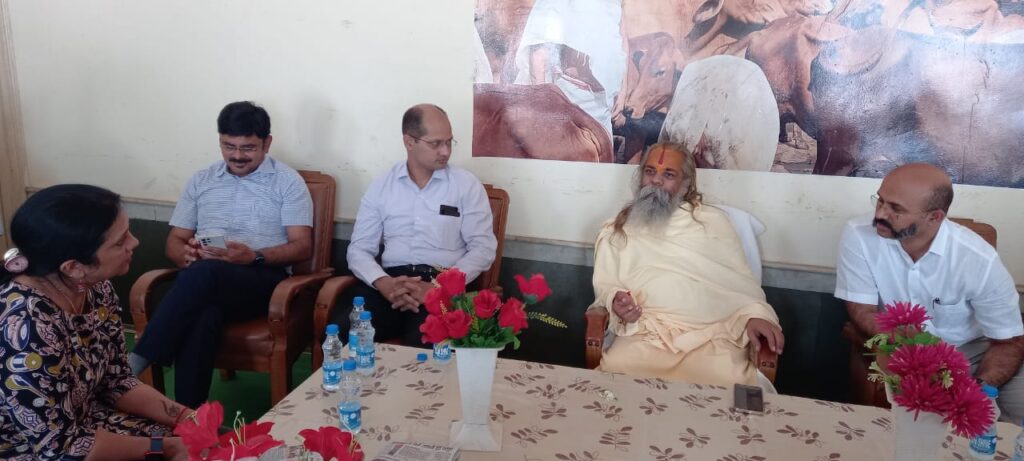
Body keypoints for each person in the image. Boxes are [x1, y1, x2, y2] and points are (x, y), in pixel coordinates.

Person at [130, 101, 313, 407]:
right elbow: (175, 241)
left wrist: (254, 256)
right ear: (220, 141)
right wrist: (186, 255)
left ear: (267, 143)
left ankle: (137, 361)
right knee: (203, 316)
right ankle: (190, 417)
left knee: (204, 273)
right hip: (205, 282)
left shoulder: (287, 182)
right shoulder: (201, 180)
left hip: (263, 281)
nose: (237, 155)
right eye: (229, 146)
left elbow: (302, 246)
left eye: (248, 148)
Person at [0, 184, 190, 460]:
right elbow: (61, 450)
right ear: (74, 267)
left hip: (88, 423)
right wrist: (167, 447)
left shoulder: (94, 288)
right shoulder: (25, 329)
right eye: (120, 241)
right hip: (31, 450)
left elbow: (117, 381)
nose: (134, 243)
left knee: (201, 439)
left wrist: (186, 417)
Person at [835, 162, 1024, 422]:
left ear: (935, 217)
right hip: (903, 350)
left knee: (1010, 422)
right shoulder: (859, 235)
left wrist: (973, 391)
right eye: (880, 200)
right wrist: (898, 344)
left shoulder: (978, 259)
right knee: (909, 425)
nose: (880, 214)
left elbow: (1009, 342)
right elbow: (861, 311)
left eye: (896, 209)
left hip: (974, 353)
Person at [590, 142, 783, 386]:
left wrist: (755, 316)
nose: (656, 180)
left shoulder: (713, 223)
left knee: (729, 379)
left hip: (712, 337)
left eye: (668, 175)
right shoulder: (617, 229)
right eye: (649, 171)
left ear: (687, 183)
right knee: (618, 368)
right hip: (644, 334)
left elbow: (741, 286)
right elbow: (606, 286)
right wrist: (616, 301)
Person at [341, 104, 497, 345]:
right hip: (392, 284)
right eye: (435, 143)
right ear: (409, 142)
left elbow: (483, 248)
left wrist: (440, 288)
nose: (445, 151)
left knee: (424, 343)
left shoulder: (466, 185)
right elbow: (359, 250)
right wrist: (383, 283)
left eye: (449, 142)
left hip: (443, 284)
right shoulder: (382, 186)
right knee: (344, 330)